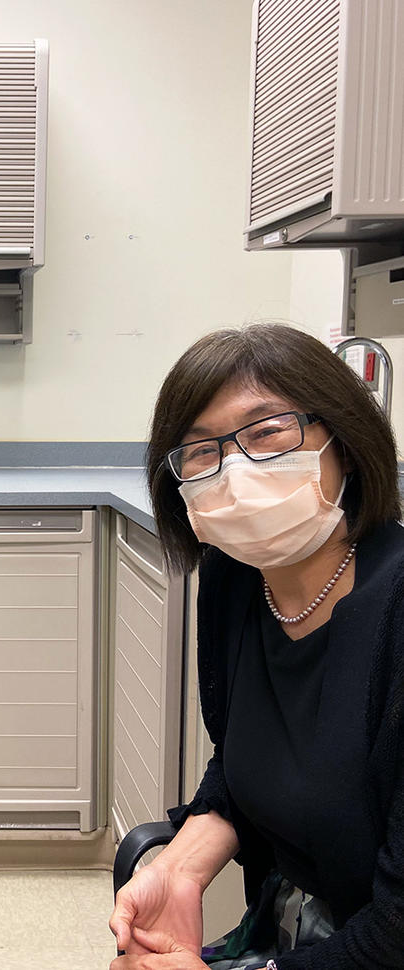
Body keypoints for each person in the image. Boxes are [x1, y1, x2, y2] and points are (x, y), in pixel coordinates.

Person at [109, 324, 404, 970]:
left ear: (345, 443)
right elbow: (245, 757)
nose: (235, 472)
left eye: (267, 432)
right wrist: (182, 869)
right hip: (289, 931)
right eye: (200, 451)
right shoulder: (233, 583)